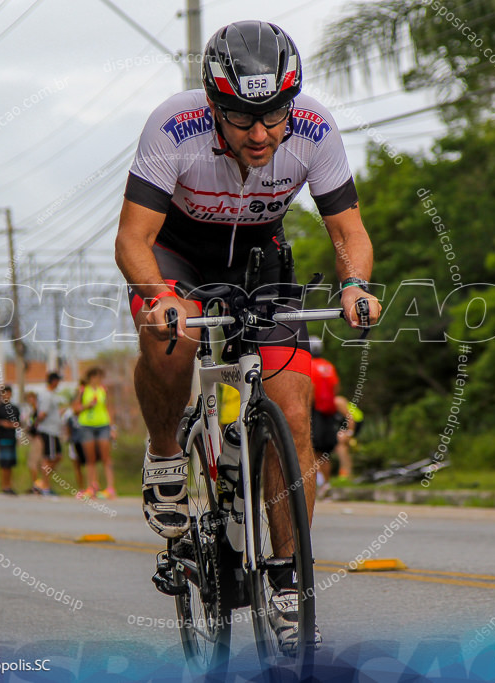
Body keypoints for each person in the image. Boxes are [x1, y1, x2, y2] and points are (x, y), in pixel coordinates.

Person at [114, 20, 381, 654]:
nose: (260, 133)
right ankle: (164, 455)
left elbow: (349, 233)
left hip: (260, 259)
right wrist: (159, 299)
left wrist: (355, 285)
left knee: (291, 409)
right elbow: (132, 240)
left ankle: (287, 583)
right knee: (170, 340)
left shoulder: (314, 129)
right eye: (240, 117)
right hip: (177, 255)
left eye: (273, 115)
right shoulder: (172, 126)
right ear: (212, 105)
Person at [75, 367, 116, 499]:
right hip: (86, 426)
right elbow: (75, 409)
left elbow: (109, 408)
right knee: (90, 459)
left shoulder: (103, 390)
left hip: (103, 426)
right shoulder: (82, 390)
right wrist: (88, 405)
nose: (99, 380)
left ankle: (110, 488)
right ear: (91, 377)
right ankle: (92, 487)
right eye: (98, 377)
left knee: (106, 457)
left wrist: (113, 428)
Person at [309, 336, 341, 499]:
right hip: (329, 411)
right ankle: (326, 483)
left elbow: (311, 388)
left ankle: (315, 484)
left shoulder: (310, 365)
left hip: (316, 411)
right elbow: (336, 387)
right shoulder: (328, 366)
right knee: (325, 452)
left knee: (312, 449)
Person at [35, 372, 66, 494]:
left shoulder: (52, 395)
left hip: (54, 430)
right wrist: (36, 424)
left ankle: (43, 482)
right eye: (58, 380)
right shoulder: (47, 395)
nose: (59, 383)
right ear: (53, 381)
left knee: (58, 456)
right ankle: (45, 486)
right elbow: (43, 413)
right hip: (48, 430)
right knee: (48, 458)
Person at [0, 386, 21, 495]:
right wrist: (2, 423)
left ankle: (9, 486)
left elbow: (19, 423)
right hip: (2, 438)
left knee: (10, 463)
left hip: (12, 438)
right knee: (4, 464)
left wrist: (13, 425)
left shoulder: (15, 408)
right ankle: (4, 486)